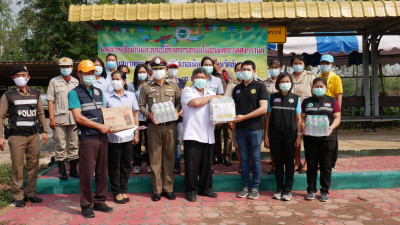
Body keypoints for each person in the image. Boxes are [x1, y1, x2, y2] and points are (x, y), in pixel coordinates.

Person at [68, 60, 113, 218]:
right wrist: (99, 126)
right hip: (88, 138)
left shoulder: (99, 91)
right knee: (87, 173)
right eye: (86, 73)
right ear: (79, 74)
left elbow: (103, 112)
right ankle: (86, 204)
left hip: (102, 137)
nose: (90, 76)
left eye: (92, 73)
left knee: (102, 171)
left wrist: (112, 123)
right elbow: (78, 117)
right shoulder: (73, 93)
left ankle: (100, 200)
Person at [0, 64, 48, 208]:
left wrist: (45, 131)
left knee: (33, 165)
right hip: (16, 137)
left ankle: (30, 193)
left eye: (23, 75)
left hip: (33, 135)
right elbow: (1, 115)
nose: (21, 78)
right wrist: (0, 137)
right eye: (17, 76)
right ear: (13, 78)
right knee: (18, 167)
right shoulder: (8, 95)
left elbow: (40, 113)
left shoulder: (35, 94)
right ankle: (18, 195)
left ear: (28, 77)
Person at [139, 56, 181, 202]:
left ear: (165, 69)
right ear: (151, 70)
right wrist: (148, 114)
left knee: (169, 158)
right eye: (155, 69)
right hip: (154, 127)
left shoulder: (174, 86)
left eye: (161, 69)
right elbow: (141, 105)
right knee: (155, 159)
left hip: (170, 127)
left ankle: (168, 188)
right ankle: (157, 190)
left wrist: (177, 112)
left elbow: (179, 103)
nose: (158, 71)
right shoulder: (146, 87)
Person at [181, 67, 221, 202]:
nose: (200, 80)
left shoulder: (211, 92)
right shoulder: (187, 91)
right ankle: (191, 191)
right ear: (192, 79)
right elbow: (196, 103)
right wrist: (212, 97)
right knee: (192, 166)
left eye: (203, 78)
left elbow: (219, 108)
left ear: (207, 79)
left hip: (209, 134)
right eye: (197, 78)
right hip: (192, 134)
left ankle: (206, 189)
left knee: (206, 165)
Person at [231, 60, 268, 200]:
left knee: (256, 158)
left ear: (254, 72)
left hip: (254, 129)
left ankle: (255, 187)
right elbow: (232, 108)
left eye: (248, 69)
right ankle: (245, 186)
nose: (244, 72)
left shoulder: (260, 87)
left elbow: (263, 108)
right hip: (240, 129)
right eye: (242, 69)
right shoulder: (237, 89)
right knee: (244, 159)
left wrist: (245, 117)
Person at [302, 77, 341, 202]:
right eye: (316, 87)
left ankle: (325, 191)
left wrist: (331, 127)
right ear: (312, 88)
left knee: (326, 165)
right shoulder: (306, 101)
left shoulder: (332, 101)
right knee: (311, 165)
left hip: (327, 138)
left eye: (321, 87)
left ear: (325, 88)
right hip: (310, 138)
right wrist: (303, 127)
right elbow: (302, 118)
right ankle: (311, 189)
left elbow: (337, 118)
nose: (318, 89)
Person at [264, 73, 302, 201]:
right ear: (278, 83)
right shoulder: (272, 98)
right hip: (275, 136)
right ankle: (279, 188)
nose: (285, 83)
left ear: (291, 83)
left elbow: (298, 119)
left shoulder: (296, 98)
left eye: (287, 81)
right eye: (282, 81)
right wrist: (266, 135)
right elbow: (268, 117)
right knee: (278, 163)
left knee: (289, 163)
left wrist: (299, 136)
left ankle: (288, 189)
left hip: (291, 136)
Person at [104, 70, 140, 204]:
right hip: (112, 138)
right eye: (113, 79)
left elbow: (135, 114)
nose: (115, 81)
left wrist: (136, 133)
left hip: (128, 136)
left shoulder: (131, 96)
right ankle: (116, 191)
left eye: (118, 79)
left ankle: (124, 190)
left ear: (124, 82)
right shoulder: (106, 96)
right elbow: (104, 114)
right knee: (114, 165)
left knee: (126, 164)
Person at [46, 57, 80, 180]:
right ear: (60, 68)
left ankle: (72, 169)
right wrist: (51, 119)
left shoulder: (76, 82)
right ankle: (61, 170)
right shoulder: (54, 82)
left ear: (72, 67)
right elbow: (50, 101)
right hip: (59, 118)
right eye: (63, 67)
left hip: (74, 118)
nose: (65, 69)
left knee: (74, 144)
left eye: (68, 67)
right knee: (60, 144)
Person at [289, 55, 315, 174]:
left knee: (308, 139)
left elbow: (315, 94)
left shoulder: (310, 77)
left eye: (300, 63)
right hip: (292, 113)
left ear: (304, 64)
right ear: (291, 65)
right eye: (295, 63)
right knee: (295, 138)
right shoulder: (288, 77)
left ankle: (307, 163)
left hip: (307, 112)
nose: (298, 65)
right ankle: (297, 162)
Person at [319, 54, 343, 172]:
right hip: (320, 111)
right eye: (323, 63)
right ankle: (323, 161)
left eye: (327, 63)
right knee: (321, 138)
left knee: (332, 139)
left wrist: (337, 113)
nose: (325, 65)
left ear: (332, 65)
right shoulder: (319, 77)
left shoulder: (336, 78)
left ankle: (332, 163)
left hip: (332, 111)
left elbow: (339, 97)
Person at [211, 57, 235, 166]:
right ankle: (217, 156)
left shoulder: (226, 73)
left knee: (228, 134)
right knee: (215, 133)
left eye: (213, 64)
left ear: (217, 64)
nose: (211, 67)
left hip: (227, 107)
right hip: (215, 108)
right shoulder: (208, 76)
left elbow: (233, 87)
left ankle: (227, 157)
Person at [128, 64, 151, 174]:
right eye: (139, 72)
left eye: (143, 72)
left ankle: (150, 164)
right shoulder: (131, 86)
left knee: (150, 142)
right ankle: (137, 164)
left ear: (147, 73)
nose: (142, 74)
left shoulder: (151, 85)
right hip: (137, 118)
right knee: (136, 142)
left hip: (149, 117)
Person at [166, 59, 186, 174]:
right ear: (167, 69)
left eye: (175, 68)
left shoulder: (182, 82)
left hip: (179, 117)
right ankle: (167, 164)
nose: (173, 70)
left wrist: (179, 113)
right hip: (166, 117)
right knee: (167, 141)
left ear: (178, 69)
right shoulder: (164, 82)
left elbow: (184, 100)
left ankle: (177, 164)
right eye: (170, 68)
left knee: (177, 141)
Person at [264, 59, 283, 175]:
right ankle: (274, 164)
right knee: (272, 140)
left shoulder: (285, 82)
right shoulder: (265, 83)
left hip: (283, 113)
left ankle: (283, 164)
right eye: (272, 67)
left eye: (277, 67)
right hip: (269, 114)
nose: (274, 69)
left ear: (281, 69)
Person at [224, 62, 243, 173]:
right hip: (236, 119)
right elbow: (227, 102)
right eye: (238, 70)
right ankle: (241, 164)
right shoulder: (232, 85)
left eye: (243, 69)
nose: (241, 72)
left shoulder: (254, 84)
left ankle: (249, 164)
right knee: (237, 143)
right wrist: (230, 120)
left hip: (250, 119)